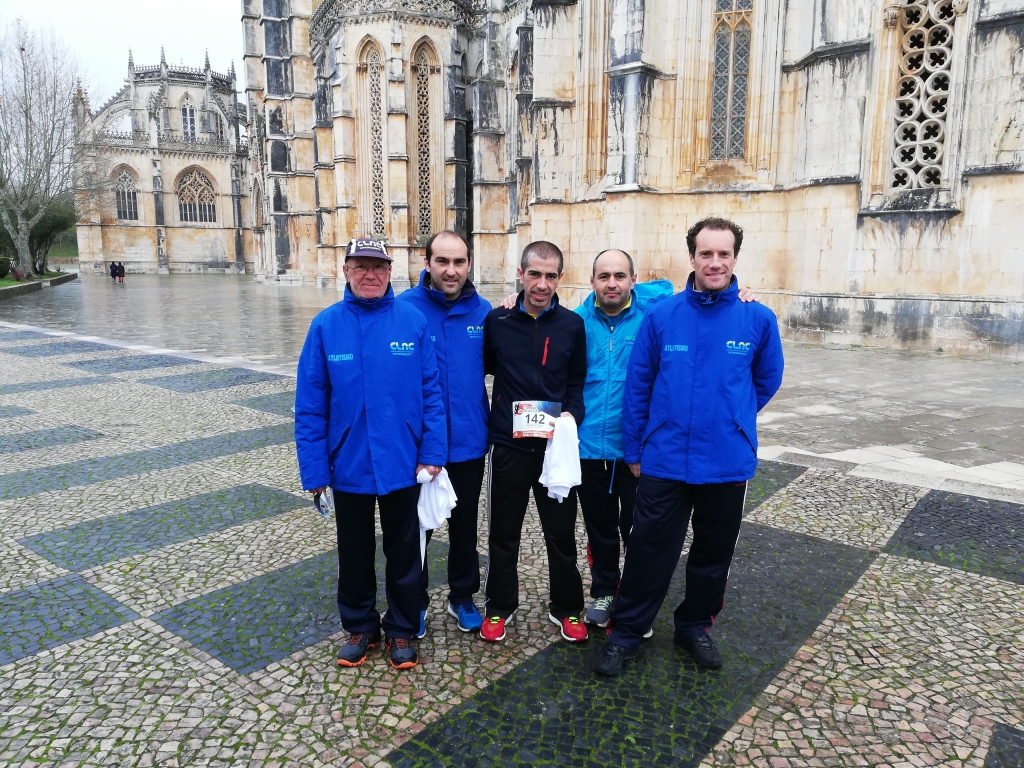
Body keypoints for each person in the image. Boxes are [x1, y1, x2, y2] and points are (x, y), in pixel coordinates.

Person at [593, 217, 784, 676]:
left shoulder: (757, 317)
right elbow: (638, 387)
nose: (715, 262)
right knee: (648, 550)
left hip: (725, 460)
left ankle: (694, 626)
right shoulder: (663, 316)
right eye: (706, 253)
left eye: (723, 254)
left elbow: (766, 379)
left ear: (735, 257)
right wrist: (635, 450)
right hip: (665, 458)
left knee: (713, 554)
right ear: (692, 257)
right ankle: (627, 632)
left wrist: (733, 417)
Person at [573, 251, 761, 629]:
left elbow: (702, 304)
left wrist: (737, 294)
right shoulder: (576, 322)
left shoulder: (654, 314)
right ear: (591, 281)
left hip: (642, 450)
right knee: (600, 529)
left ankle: (635, 600)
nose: (612, 283)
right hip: (590, 444)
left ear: (634, 280)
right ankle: (606, 591)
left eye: (620, 276)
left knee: (642, 534)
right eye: (604, 276)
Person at [295, 237, 447, 670]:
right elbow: (310, 404)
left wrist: (432, 452)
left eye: (378, 267)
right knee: (354, 553)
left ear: (389, 271)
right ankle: (361, 626)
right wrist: (315, 471)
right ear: (345, 271)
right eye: (360, 266)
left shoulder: (413, 322)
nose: (370, 275)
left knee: (405, 553)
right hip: (349, 462)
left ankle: (401, 628)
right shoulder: (325, 326)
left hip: (403, 460)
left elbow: (432, 394)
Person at [481, 240, 589, 644]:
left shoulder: (572, 325)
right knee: (503, 533)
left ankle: (567, 608)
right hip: (509, 447)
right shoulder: (498, 320)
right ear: (521, 275)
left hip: (553, 448)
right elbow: (486, 369)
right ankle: (499, 606)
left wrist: (572, 415)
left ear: (559, 278)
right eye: (534, 274)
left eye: (550, 276)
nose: (542, 284)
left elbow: (576, 380)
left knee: (561, 534)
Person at [397, 230, 490, 636]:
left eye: (459, 262)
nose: (451, 271)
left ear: (468, 265)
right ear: (427, 263)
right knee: (417, 527)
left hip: (470, 440)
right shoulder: (404, 309)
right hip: (420, 446)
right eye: (442, 261)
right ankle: (413, 602)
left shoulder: (484, 312)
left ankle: (462, 596)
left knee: (465, 525)